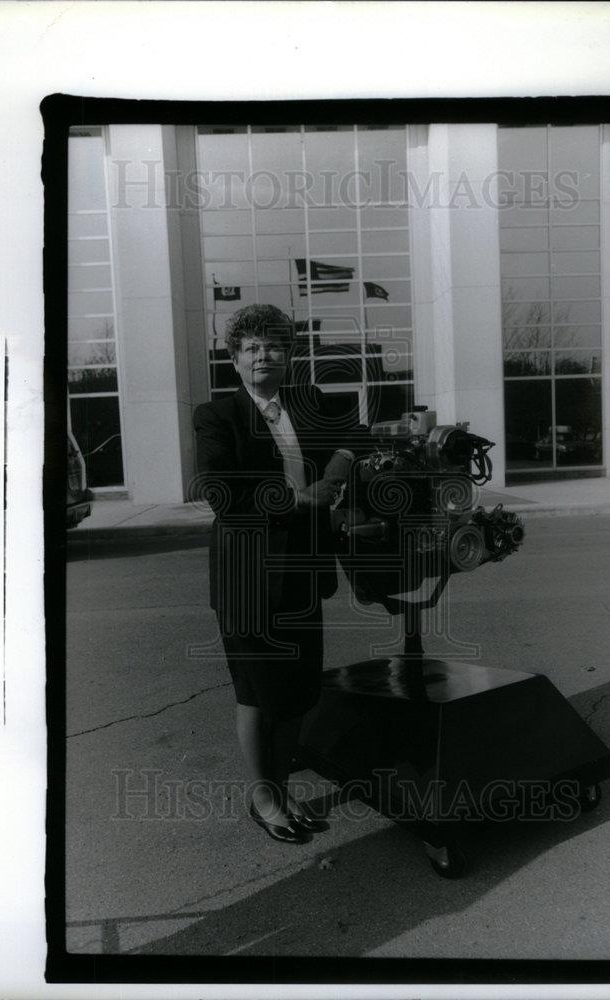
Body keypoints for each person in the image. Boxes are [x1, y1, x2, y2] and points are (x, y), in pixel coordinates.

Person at [193, 304, 368, 844]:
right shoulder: (216, 416)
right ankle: (264, 797)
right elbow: (222, 493)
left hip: (301, 572)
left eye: (274, 346)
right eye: (252, 348)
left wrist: (336, 472)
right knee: (258, 693)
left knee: (298, 694)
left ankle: (281, 785)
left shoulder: (308, 402)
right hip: (248, 575)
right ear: (236, 359)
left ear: (289, 355)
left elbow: (357, 434)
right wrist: (299, 499)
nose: (263, 356)